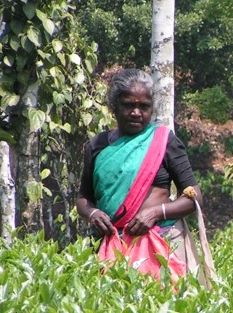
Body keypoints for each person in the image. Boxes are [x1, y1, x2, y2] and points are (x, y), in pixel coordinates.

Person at [76, 68, 216, 286]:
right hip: (112, 244)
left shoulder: (164, 142)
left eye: (144, 107)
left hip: (162, 240)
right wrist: (92, 213)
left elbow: (194, 196)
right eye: (128, 105)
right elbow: (84, 197)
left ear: (152, 109)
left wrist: (155, 213)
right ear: (114, 107)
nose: (136, 112)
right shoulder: (98, 145)